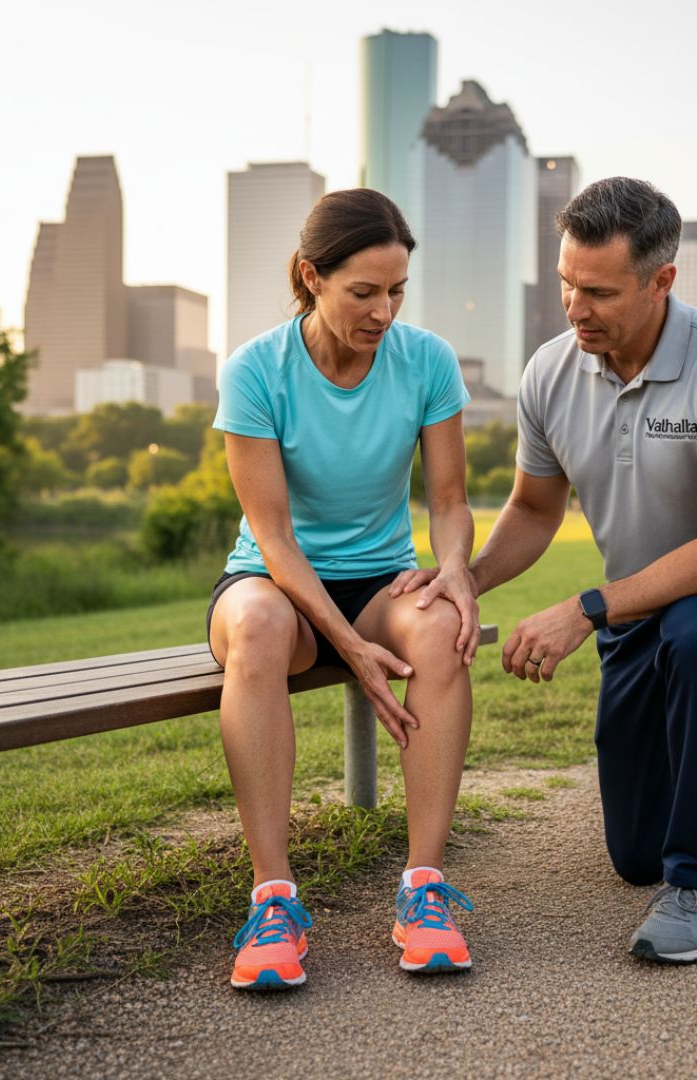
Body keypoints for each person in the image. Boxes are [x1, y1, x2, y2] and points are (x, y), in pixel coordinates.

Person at [399, 176, 697, 964]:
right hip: (637, 611)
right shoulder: (551, 371)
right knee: (636, 849)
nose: (575, 308)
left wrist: (585, 609)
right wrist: (465, 581)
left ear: (662, 282)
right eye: (566, 285)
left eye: (599, 292)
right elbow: (536, 511)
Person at [207, 189, 480, 990]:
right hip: (272, 580)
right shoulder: (257, 370)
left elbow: (451, 502)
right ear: (310, 277)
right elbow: (276, 535)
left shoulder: (426, 360)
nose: (384, 311)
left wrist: (455, 568)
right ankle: (273, 901)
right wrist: (351, 648)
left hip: (378, 576)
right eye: (364, 292)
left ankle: (423, 890)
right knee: (257, 630)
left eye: (397, 291)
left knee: (438, 628)